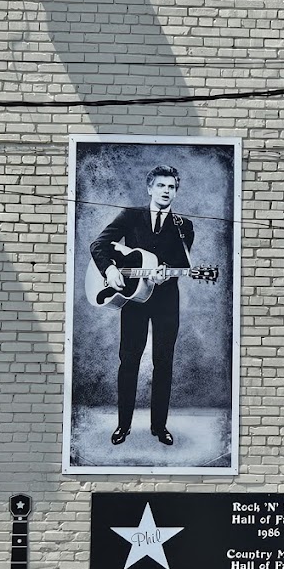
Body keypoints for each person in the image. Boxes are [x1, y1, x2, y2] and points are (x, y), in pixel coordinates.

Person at [90, 165, 195, 447]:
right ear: (150, 188)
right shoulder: (131, 216)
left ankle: (159, 427)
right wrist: (110, 270)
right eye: (161, 186)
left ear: (176, 191)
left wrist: (163, 275)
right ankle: (123, 426)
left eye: (171, 187)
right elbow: (98, 245)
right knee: (129, 360)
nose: (166, 191)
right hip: (133, 299)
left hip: (165, 301)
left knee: (164, 363)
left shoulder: (183, 226)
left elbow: (181, 266)